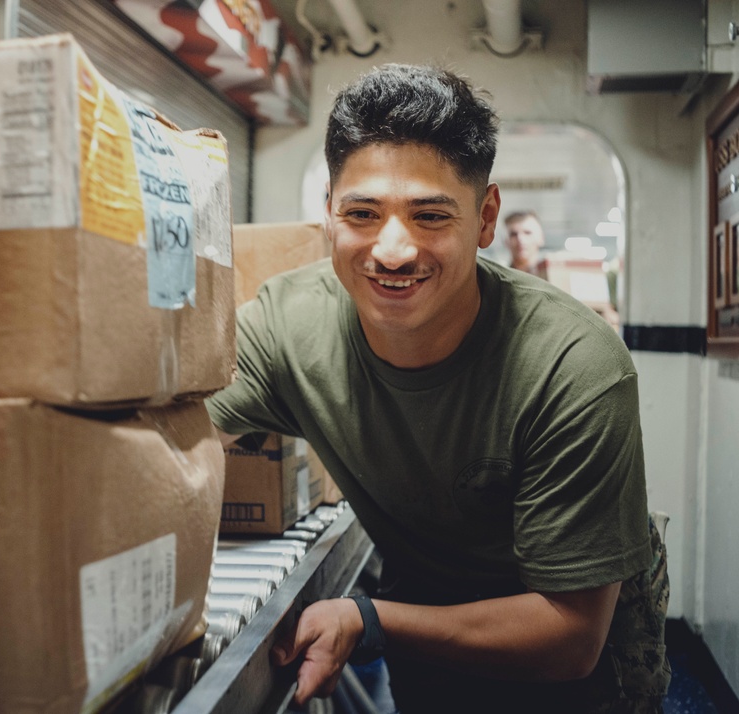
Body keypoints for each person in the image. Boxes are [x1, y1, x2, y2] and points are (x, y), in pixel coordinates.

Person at [205, 64, 670, 712]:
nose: (392, 250)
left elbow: (571, 636)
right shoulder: (287, 328)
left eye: (429, 216)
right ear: (330, 213)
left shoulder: (573, 367)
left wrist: (370, 620)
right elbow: (170, 423)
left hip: (579, 675)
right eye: (362, 213)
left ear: (485, 218)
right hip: (429, 649)